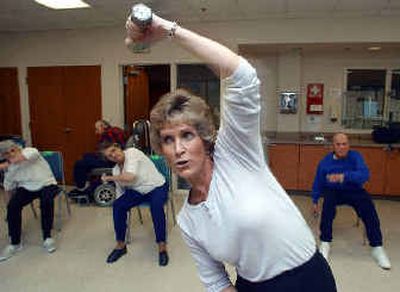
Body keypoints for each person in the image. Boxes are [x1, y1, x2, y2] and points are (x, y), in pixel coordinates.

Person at [126, 7, 337, 291]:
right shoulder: (188, 220)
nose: (178, 149)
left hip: (308, 278)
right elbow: (215, 281)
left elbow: (244, 77)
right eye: (167, 140)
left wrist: (168, 30)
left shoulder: (235, 153)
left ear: (203, 137)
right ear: (161, 150)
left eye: (187, 135)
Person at [312, 132, 391, 269]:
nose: (342, 147)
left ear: (348, 145)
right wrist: (314, 200)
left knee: (368, 208)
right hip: (333, 190)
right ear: (333, 146)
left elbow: (364, 175)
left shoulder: (355, 157)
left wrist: (343, 176)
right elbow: (318, 182)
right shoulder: (325, 162)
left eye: (344, 144)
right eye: (338, 144)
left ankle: (377, 246)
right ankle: (325, 241)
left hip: (353, 189)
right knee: (328, 206)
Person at [99, 142, 169, 266]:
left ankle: (162, 247)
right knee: (118, 205)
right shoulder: (116, 170)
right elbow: (120, 191)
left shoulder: (132, 153)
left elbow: (130, 177)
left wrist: (109, 178)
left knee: (156, 207)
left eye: (114, 150)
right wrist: (121, 204)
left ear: (119, 147)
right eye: (109, 156)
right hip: (138, 191)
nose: (113, 155)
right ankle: (120, 246)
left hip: (156, 186)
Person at [0, 140, 59, 262]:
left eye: (13, 150)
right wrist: (9, 211)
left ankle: (47, 237)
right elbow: (8, 190)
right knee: (13, 206)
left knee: (46, 200)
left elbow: (20, 158)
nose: (11, 154)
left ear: (18, 148)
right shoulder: (10, 171)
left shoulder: (29, 151)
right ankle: (15, 243)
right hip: (27, 187)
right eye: (7, 153)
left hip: (46, 183)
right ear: (3, 156)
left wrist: (6, 164)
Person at [69, 120, 127, 198]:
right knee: (86, 156)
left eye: (97, 129)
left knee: (80, 164)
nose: (96, 132)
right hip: (110, 159)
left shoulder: (108, 134)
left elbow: (110, 151)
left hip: (110, 161)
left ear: (104, 126)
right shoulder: (114, 132)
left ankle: (81, 188)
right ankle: (88, 184)